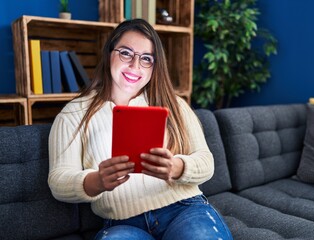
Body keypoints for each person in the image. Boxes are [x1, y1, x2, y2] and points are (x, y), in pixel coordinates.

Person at [48, 18, 233, 240]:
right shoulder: (73, 114)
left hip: (184, 209)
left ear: (155, 66)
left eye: (146, 59)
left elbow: (206, 161)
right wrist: (96, 181)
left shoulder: (174, 104)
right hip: (121, 223)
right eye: (126, 53)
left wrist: (177, 167)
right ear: (109, 54)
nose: (135, 66)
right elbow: (58, 180)